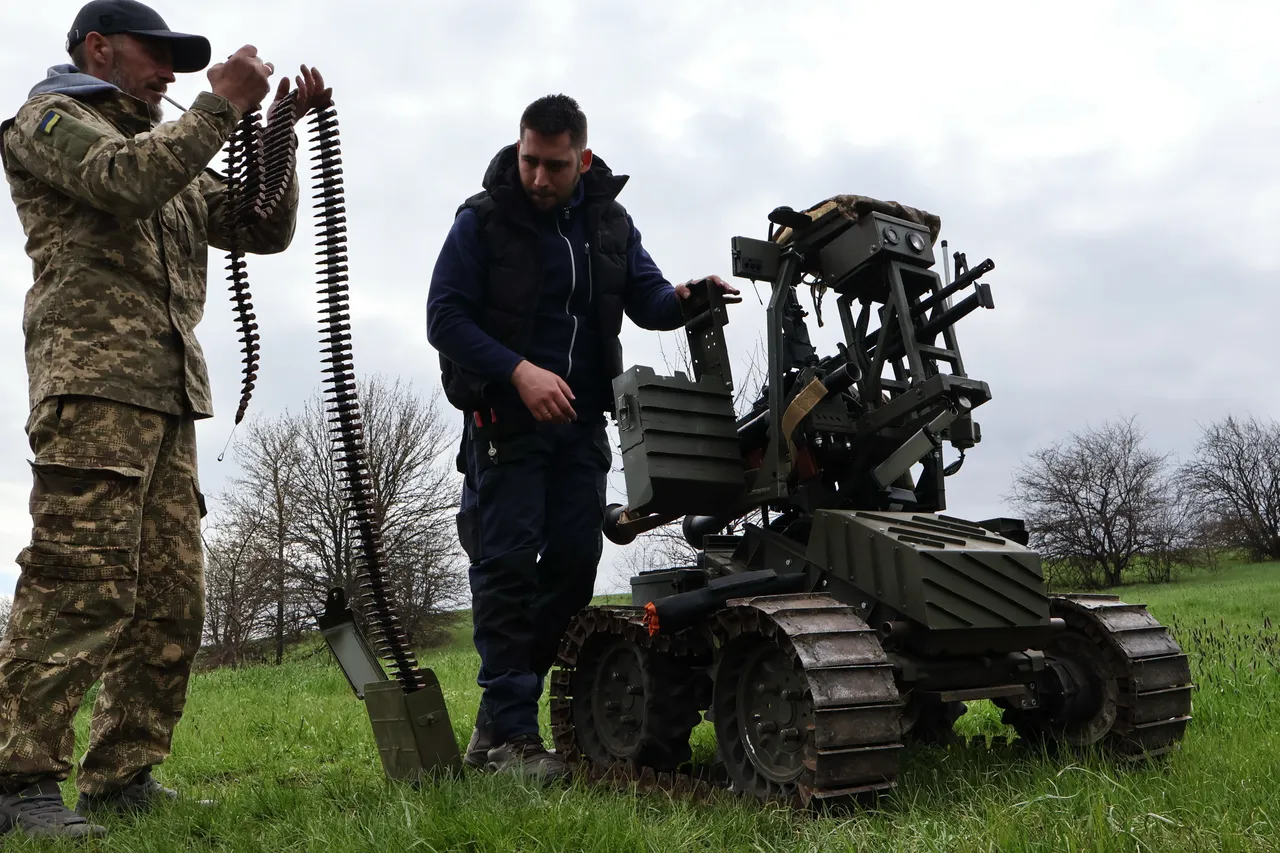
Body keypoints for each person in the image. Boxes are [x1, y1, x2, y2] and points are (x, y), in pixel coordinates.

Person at [0, 0, 330, 839]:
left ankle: (124, 774)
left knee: (171, 600)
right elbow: (124, 182)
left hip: (170, 396)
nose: (172, 74)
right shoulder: (50, 119)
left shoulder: (168, 141)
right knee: (78, 585)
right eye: (158, 55)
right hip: (94, 392)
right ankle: (18, 777)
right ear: (98, 47)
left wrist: (281, 128)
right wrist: (222, 104)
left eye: (182, 64)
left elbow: (264, 230)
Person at [426, 93, 738, 780]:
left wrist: (687, 298)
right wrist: (518, 372)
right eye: (529, 161)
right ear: (518, 149)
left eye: (555, 166)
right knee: (506, 570)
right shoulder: (481, 221)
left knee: (570, 569)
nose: (538, 178)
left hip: (581, 426)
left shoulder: (610, 223)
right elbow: (443, 318)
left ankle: (496, 721)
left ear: (583, 159)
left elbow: (649, 299)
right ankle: (510, 734)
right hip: (503, 424)